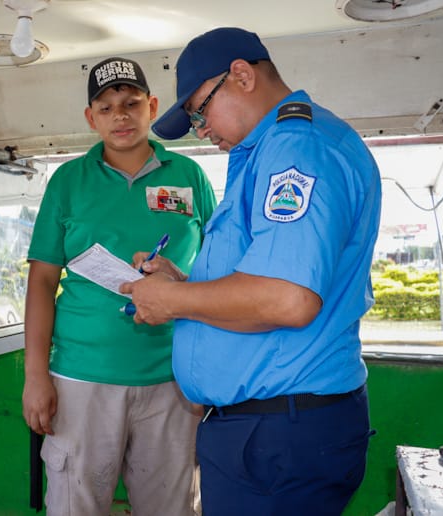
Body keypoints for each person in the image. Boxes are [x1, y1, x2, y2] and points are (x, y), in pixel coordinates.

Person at [120, 27, 381, 515]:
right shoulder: (262, 153)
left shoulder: (296, 148)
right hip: (270, 430)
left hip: (280, 435)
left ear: (240, 75)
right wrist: (183, 285)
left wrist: (172, 302)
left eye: (201, 110)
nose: (202, 129)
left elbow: (287, 298)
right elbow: (261, 282)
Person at [22, 57, 216, 515]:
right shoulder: (68, 181)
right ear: (92, 119)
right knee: (76, 505)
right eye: (106, 108)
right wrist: (36, 377)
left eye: (131, 104)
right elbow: (42, 281)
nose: (121, 116)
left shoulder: (189, 177)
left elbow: (215, 275)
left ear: (151, 107)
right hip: (81, 378)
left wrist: (178, 283)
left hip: (174, 379)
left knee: (171, 507)